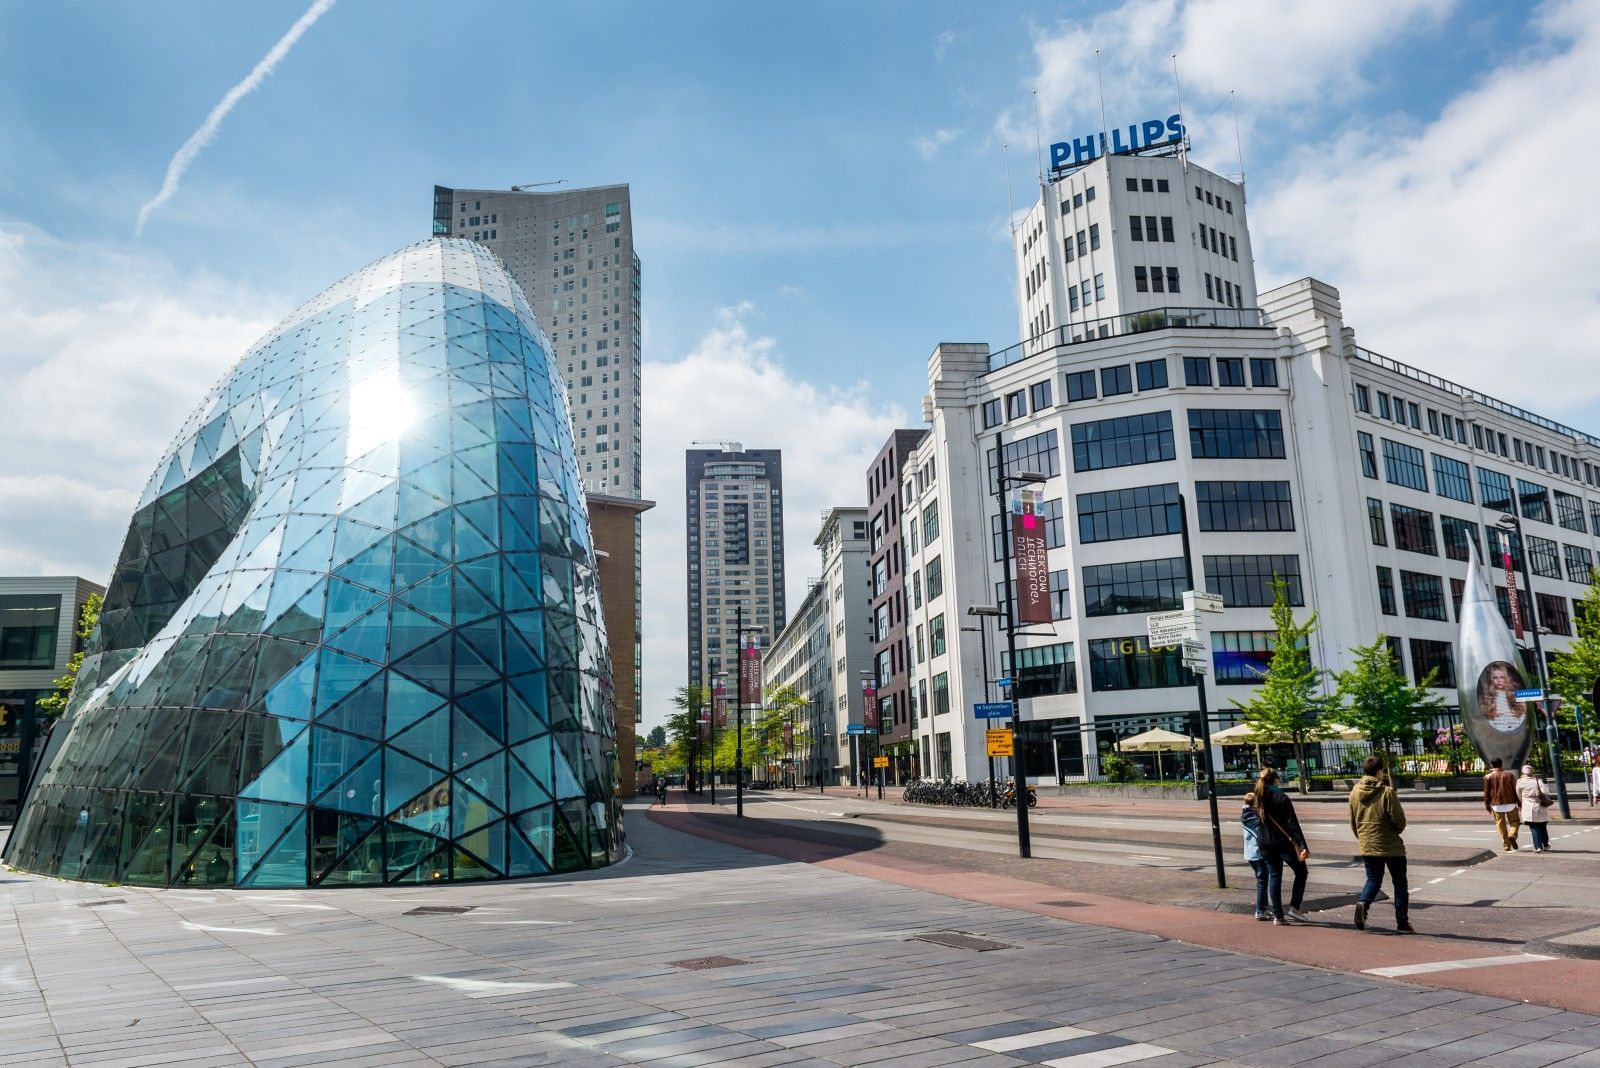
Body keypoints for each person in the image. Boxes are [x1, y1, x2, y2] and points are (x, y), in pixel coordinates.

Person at [1350, 755, 1412, 933]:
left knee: (1373, 879)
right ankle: (1402, 922)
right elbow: (1399, 820)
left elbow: (1353, 821)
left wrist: (1363, 837)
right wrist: (1396, 831)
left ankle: (1363, 902)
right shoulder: (1387, 792)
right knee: (1400, 884)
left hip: (1368, 845)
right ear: (1379, 772)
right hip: (1391, 846)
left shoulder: (1354, 792)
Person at [1253, 768, 1311, 924]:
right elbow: (1293, 824)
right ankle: (1294, 907)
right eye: (1279, 778)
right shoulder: (1282, 797)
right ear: (1275, 780)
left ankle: (1278, 916)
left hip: (1264, 841)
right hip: (1282, 842)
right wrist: (1303, 845)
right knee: (1301, 871)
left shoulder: (1258, 796)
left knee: (1274, 876)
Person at [1239, 791, 1270, 921]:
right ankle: (1260, 910)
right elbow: (1260, 833)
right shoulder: (1252, 816)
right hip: (1257, 853)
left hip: (1250, 853)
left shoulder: (1245, 814)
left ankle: (1264, 908)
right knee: (1262, 882)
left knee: (1263, 880)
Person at [1483, 757, 1520, 851]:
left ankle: (1507, 845)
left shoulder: (1488, 777)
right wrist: (1519, 803)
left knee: (1501, 825)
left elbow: (1486, 793)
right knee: (1515, 822)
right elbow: (1515, 790)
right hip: (1510, 803)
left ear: (1491, 765)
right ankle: (1512, 834)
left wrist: (1487, 806)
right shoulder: (1509, 775)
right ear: (1501, 764)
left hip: (1496, 805)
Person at [1517, 764, 1555, 851]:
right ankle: (1545, 844)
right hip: (1540, 804)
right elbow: (1546, 792)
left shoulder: (1520, 782)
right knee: (1543, 826)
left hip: (1528, 806)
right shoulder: (1538, 781)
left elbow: (1518, 795)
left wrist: (1522, 802)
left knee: (1534, 826)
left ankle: (1538, 847)